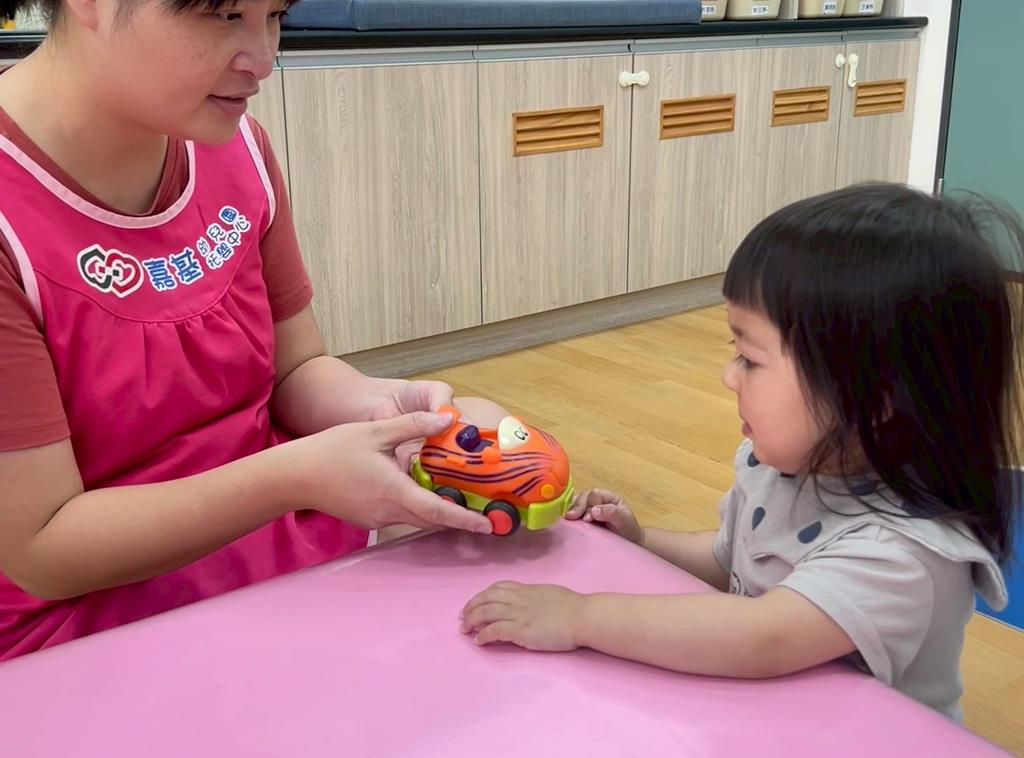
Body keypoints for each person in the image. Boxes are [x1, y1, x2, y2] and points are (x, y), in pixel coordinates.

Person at [0, 0, 499, 661]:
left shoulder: (237, 148)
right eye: (225, 14)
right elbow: (43, 549)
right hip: (91, 611)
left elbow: (296, 370)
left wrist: (380, 408)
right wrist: (297, 476)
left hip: (276, 532)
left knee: (483, 436)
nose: (263, 60)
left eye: (275, 15)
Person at [461, 184, 1022, 720]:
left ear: (872, 399)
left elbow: (761, 636)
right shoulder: (781, 470)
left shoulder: (904, 554)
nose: (729, 376)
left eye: (751, 359)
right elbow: (732, 562)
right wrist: (641, 539)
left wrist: (579, 616)